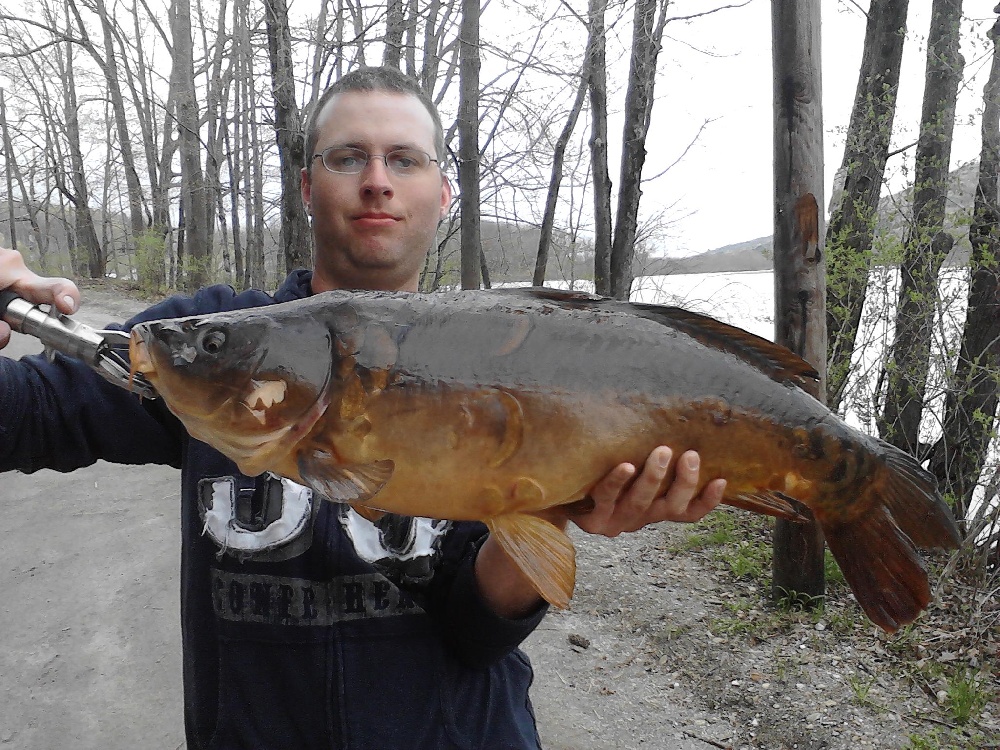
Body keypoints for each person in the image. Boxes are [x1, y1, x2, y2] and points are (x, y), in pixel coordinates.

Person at [0, 66, 726, 749]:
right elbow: (24, 418)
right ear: (308, 186)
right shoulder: (214, 347)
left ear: (443, 194)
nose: (377, 182)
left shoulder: (510, 353)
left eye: (405, 160)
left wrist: (560, 507)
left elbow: (477, 634)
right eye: (349, 157)